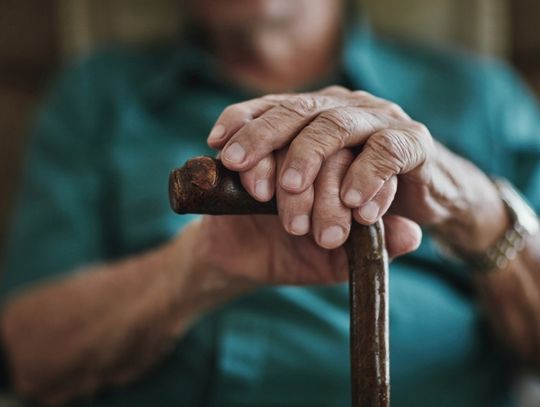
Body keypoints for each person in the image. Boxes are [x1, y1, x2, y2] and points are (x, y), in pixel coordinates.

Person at [1, 0, 540, 405]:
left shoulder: (481, 96)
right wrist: (195, 270)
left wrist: (472, 207)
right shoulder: (95, 95)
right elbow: (30, 357)